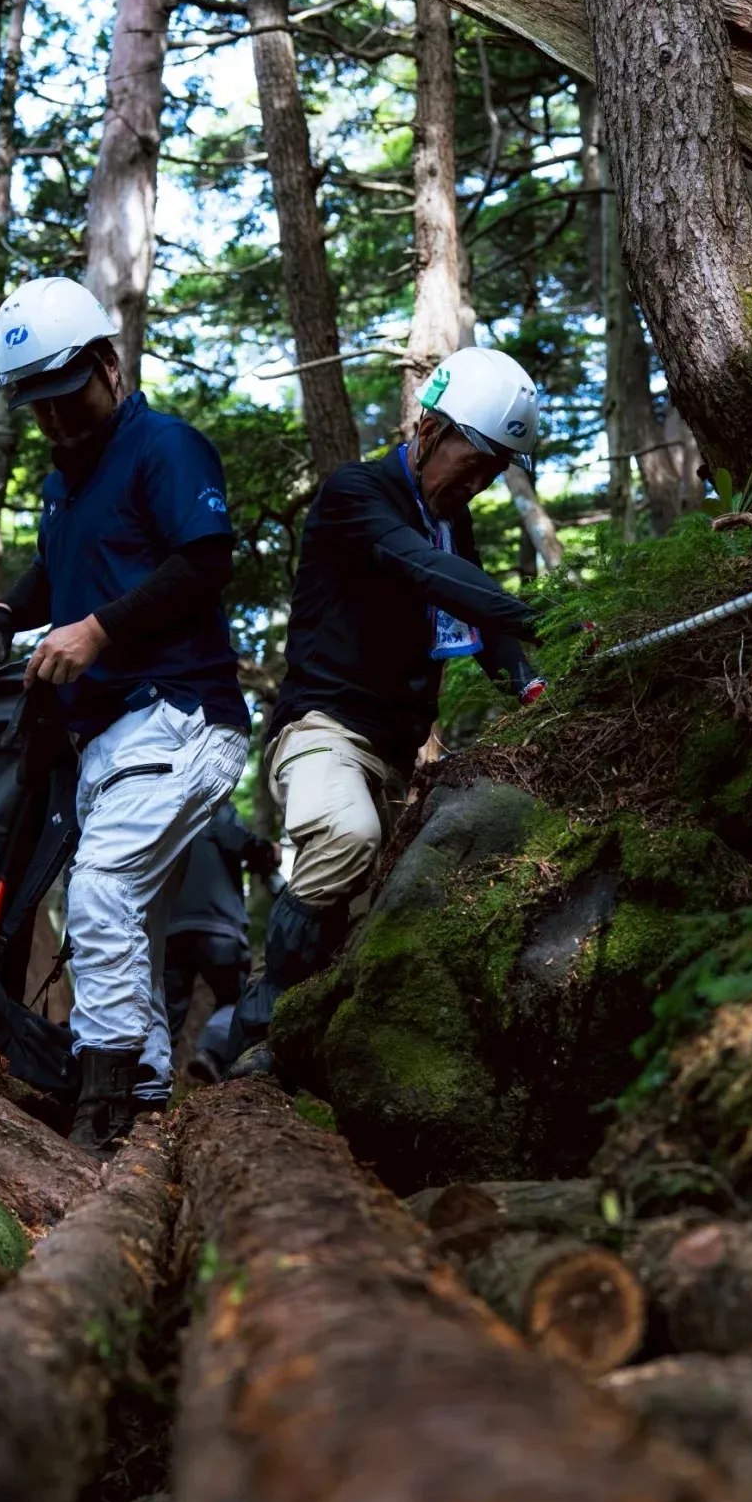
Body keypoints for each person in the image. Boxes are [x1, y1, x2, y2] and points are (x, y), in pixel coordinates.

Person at [0, 276, 251, 1155]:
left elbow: (203, 563)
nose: (55, 420)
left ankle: (101, 1107)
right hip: (111, 736)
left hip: (181, 714)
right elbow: (54, 567)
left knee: (104, 890)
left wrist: (98, 630)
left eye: (65, 396)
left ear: (107, 365)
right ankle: (146, 1090)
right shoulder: (65, 483)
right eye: (37, 407)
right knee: (133, 909)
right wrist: (6, 614)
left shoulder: (163, 447)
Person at [227, 346, 545, 1062]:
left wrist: (530, 686)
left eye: (496, 471)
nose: (481, 482)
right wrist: (544, 610)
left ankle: (311, 1058)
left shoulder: (448, 520)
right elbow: (427, 572)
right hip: (324, 728)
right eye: (476, 461)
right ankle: (259, 1028)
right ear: (431, 429)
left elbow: (478, 617)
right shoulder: (355, 493)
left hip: (397, 753)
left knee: (368, 921)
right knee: (343, 836)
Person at [164, 800, 278, 1083]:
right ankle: (212, 1051)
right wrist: (268, 853)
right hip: (218, 924)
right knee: (237, 998)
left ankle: (149, 1085)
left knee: (165, 1012)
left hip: (170, 928)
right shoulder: (210, 802)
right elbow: (236, 838)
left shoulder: (164, 810)